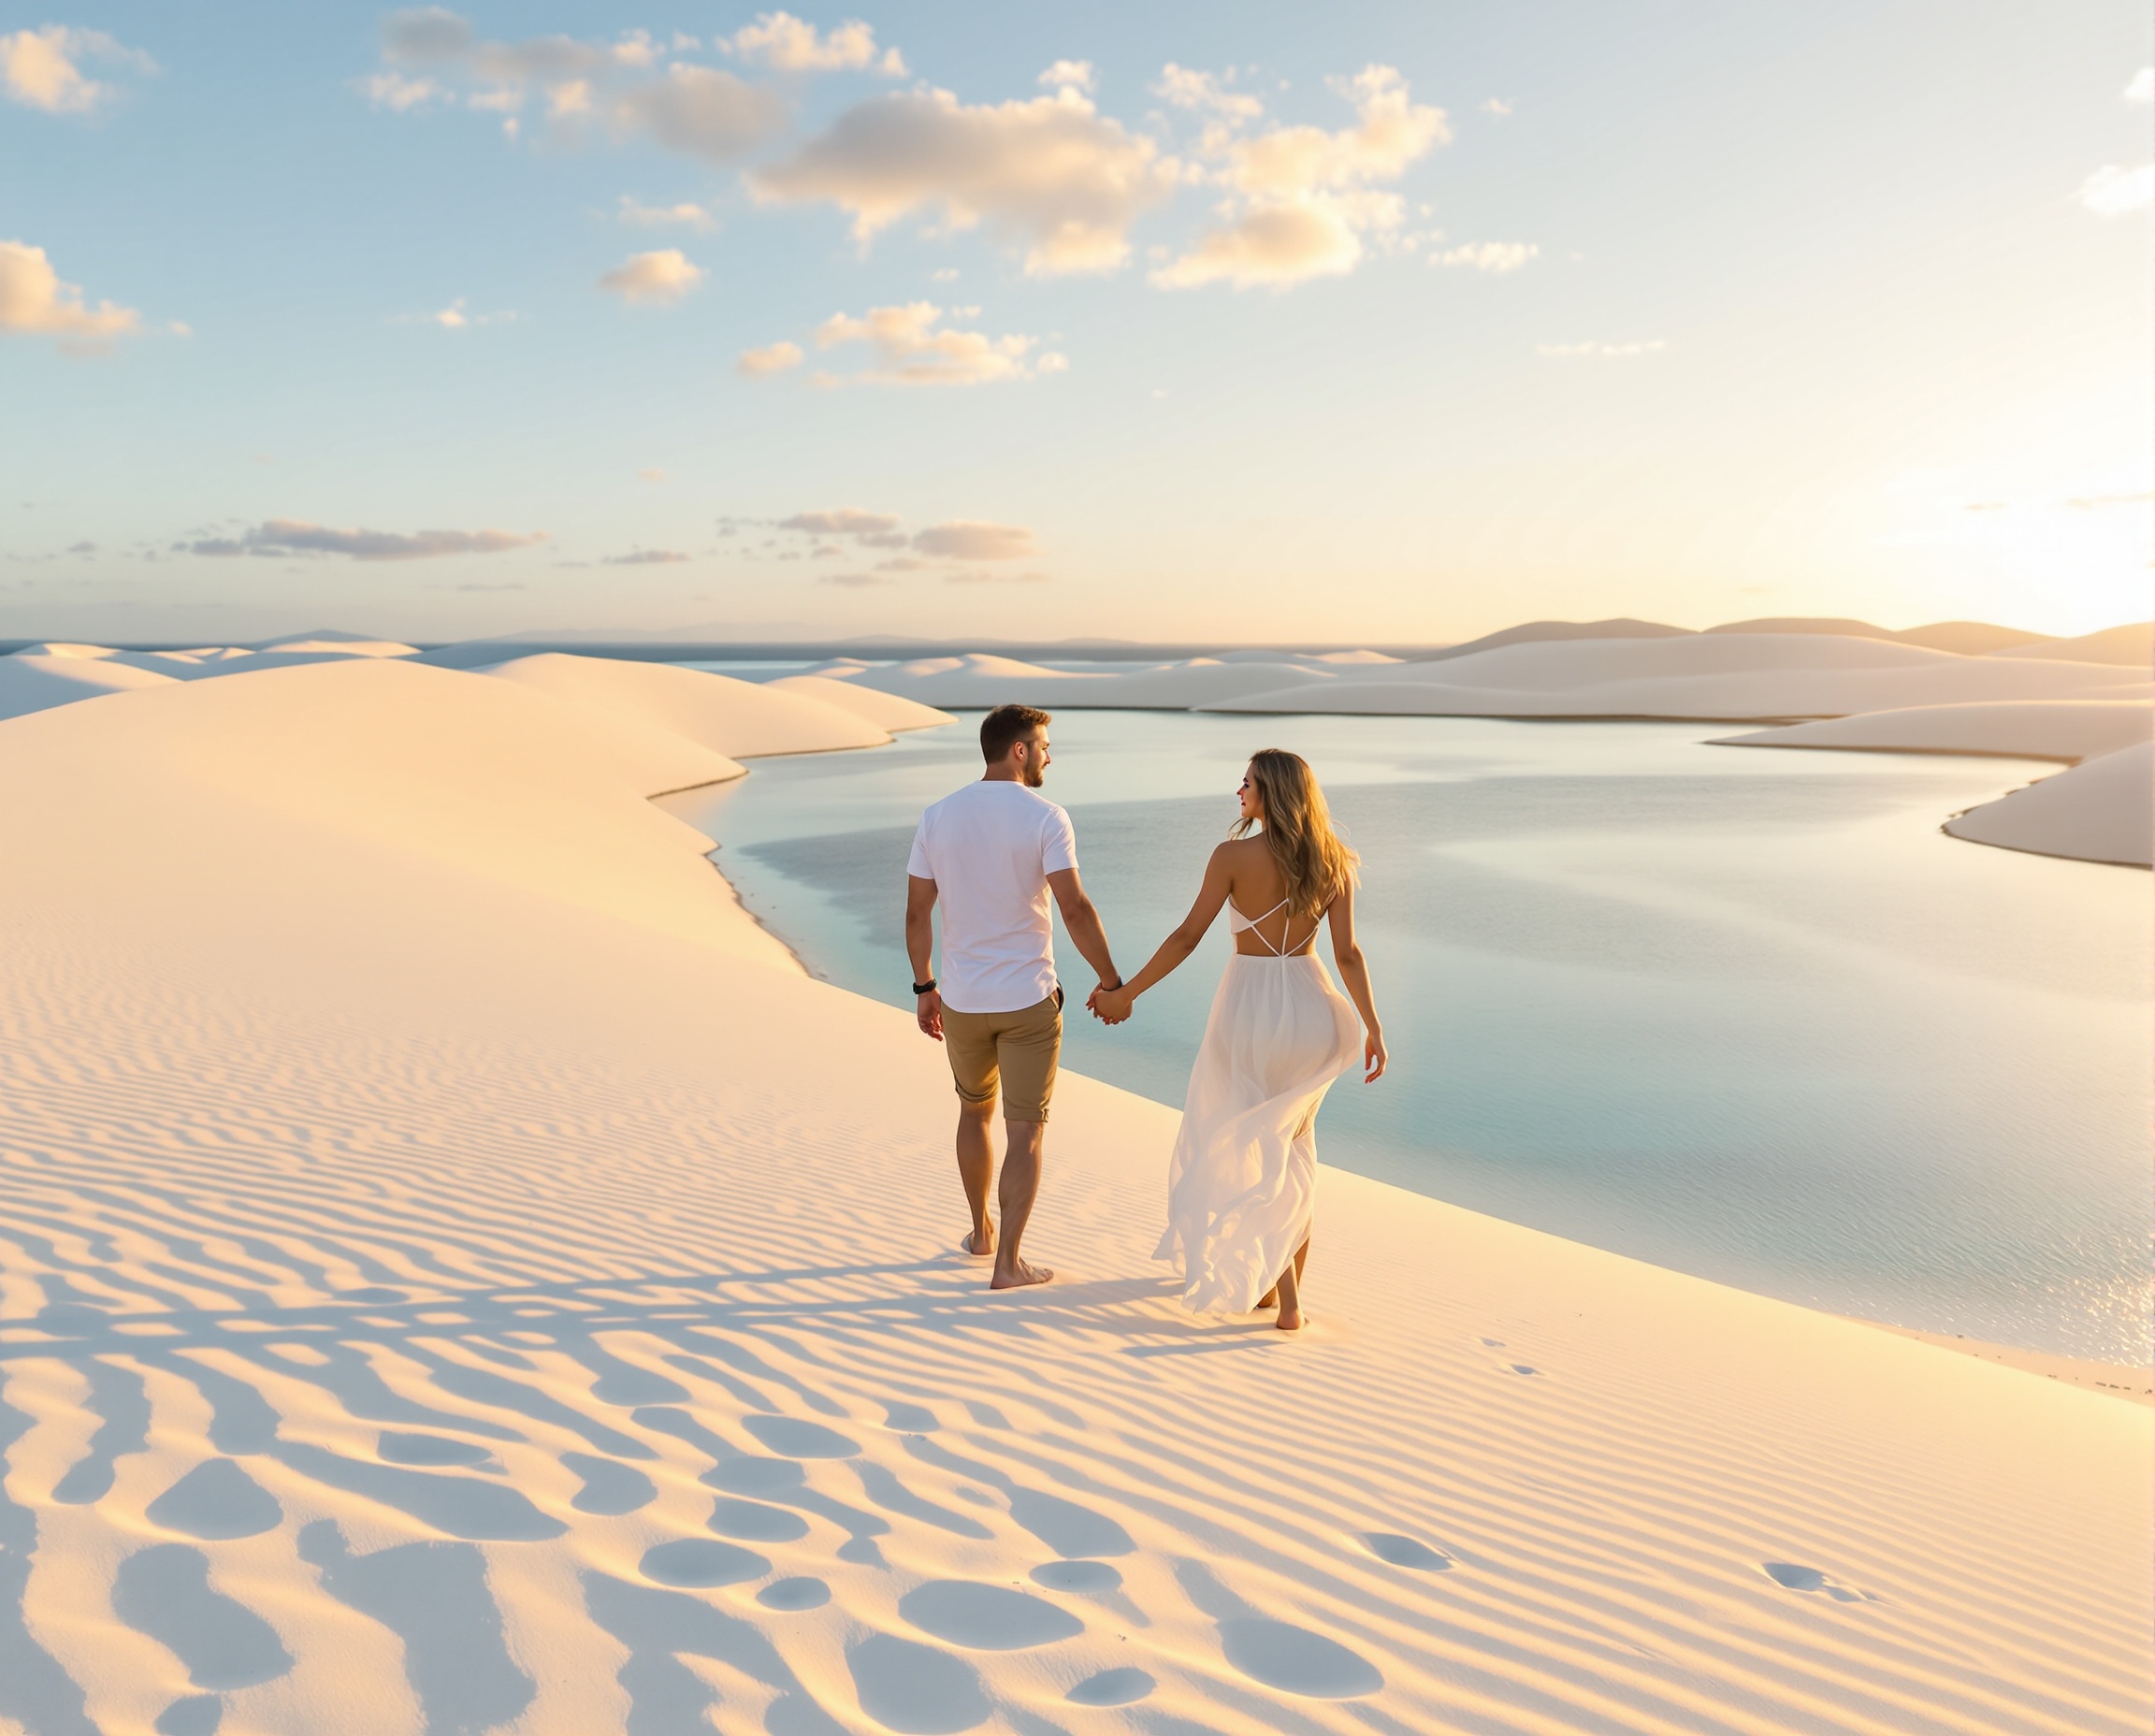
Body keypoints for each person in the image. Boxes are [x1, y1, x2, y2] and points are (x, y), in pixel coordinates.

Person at [1090, 749, 1384, 1331]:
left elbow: (1186, 937)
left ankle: (1288, 1299)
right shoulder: (1336, 862)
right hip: (1311, 1005)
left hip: (1249, 1008)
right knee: (1295, 1148)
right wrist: (1373, 1026)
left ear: (1271, 792)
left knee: (1254, 1148)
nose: (1239, 791)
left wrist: (1129, 995)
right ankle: (1278, 1295)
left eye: (1247, 783)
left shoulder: (1231, 857)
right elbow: (1348, 954)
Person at [905, 704, 1123, 1290]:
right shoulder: (1047, 817)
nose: (1050, 755)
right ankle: (1009, 1264)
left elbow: (917, 914)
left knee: (973, 1111)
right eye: (1044, 745)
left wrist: (925, 987)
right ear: (1019, 751)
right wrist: (1110, 982)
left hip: (962, 1001)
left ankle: (981, 1233)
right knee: (1025, 1130)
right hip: (1027, 1000)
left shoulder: (937, 816)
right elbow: (1075, 909)